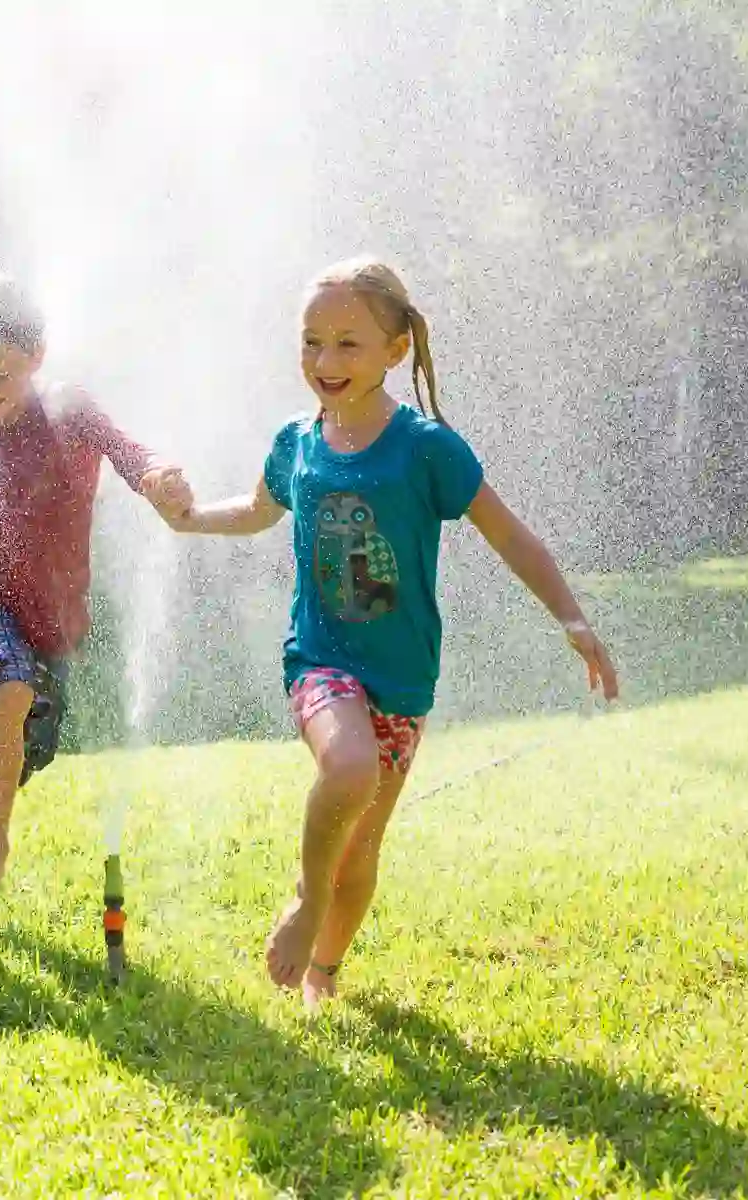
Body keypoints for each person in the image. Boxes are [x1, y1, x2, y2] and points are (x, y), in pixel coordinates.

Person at [165, 258, 619, 1006]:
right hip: (320, 662)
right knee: (348, 770)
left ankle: (325, 971)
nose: (325, 362)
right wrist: (186, 518)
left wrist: (572, 618)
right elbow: (253, 512)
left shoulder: (426, 448)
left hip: (402, 676)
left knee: (362, 847)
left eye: (348, 343)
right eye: (312, 342)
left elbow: (510, 536)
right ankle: (307, 905)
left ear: (394, 350)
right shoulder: (296, 442)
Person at [0, 274, 193, 924]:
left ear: (38, 356)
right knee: (10, 688)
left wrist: (157, 474)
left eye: (2, 371)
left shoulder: (68, 410)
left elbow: (127, 450)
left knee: (12, 765)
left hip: (53, 627)